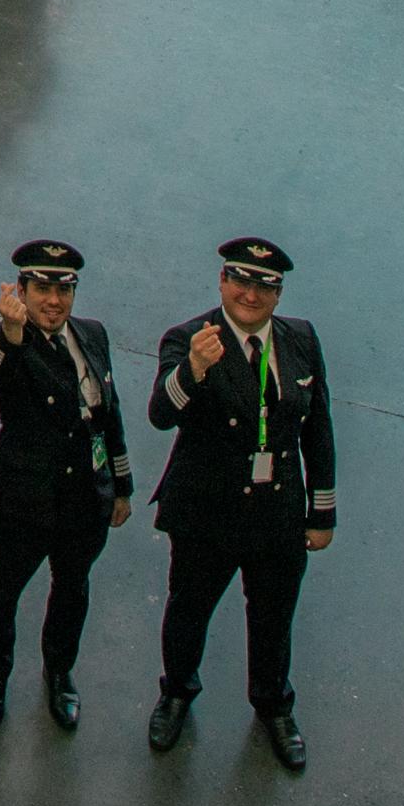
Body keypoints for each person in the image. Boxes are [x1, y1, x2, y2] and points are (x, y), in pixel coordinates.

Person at [147, 237, 336, 774]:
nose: (251, 294)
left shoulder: (300, 339)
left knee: (274, 616)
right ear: (222, 282)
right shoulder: (189, 338)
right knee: (188, 609)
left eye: (265, 285)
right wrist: (193, 370)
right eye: (241, 280)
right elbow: (161, 413)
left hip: (277, 510)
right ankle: (177, 693)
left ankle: (273, 704)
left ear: (278, 293)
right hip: (207, 510)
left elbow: (317, 426)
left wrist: (321, 511)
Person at [0, 237, 132, 731]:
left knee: (72, 590)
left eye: (63, 290)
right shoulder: (7, 341)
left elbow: (109, 414)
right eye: (41, 288)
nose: (53, 301)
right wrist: (10, 330)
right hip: (26, 499)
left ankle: (59, 672)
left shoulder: (92, 335)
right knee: (4, 589)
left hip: (86, 498)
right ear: (20, 291)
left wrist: (121, 486)